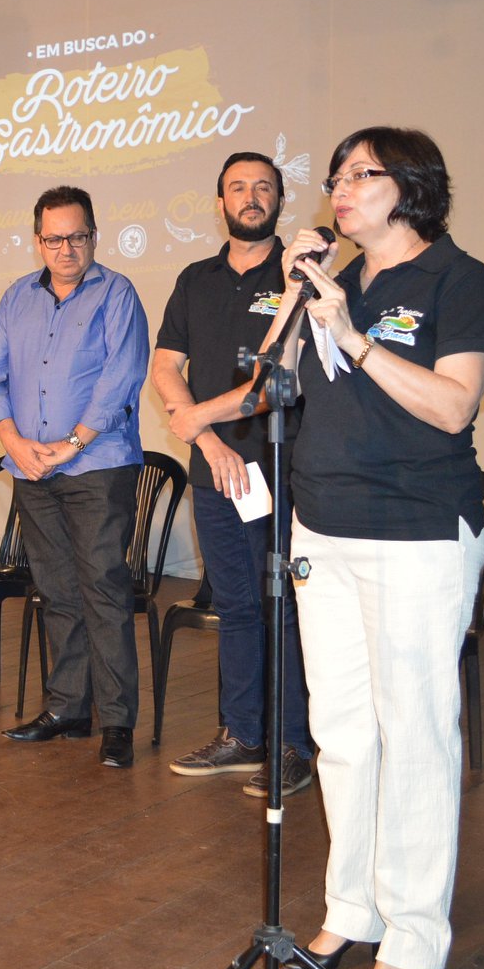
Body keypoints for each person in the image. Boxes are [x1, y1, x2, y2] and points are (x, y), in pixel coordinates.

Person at [274, 127, 484, 969]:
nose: (339, 188)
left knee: (412, 730)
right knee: (340, 731)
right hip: (322, 528)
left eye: (360, 174)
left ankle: (414, 929)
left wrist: (356, 336)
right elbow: (272, 384)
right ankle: (354, 906)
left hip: (414, 530)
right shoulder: (335, 281)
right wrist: (298, 296)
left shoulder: (458, 279)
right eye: (335, 176)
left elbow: (452, 407)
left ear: (410, 187)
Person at [151, 151, 315, 796]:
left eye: (263, 187)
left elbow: (280, 382)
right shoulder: (196, 278)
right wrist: (209, 441)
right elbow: (165, 368)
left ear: (279, 200)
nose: (251, 197)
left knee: (285, 607)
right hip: (212, 472)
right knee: (237, 606)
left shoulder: (299, 278)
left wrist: (199, 420)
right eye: (238, 188)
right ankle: (244, 736)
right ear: (219, 202)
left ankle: (294, 745)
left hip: (279, 466)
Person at [0, 187, 149, 767]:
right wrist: (12, 441)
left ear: (94, 237)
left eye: (77, 237)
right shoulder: (16, 297)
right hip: (31, 466)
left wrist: (72, 443)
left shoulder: (117, 293)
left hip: (96, 466)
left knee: (102, 590)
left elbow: (121, 378)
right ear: (38, 242)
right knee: (55, 591)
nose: (66, 249)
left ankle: (117, 722)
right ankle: (69, 707)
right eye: (54, 239)